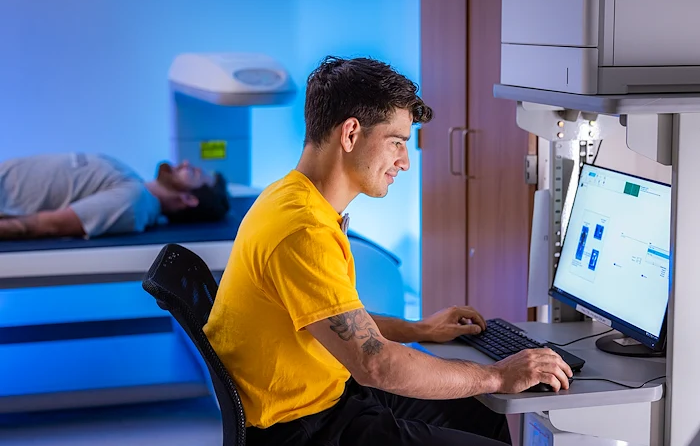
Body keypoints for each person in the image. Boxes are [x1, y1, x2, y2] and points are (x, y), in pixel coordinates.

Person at [203, 56, 573, 446]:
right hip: (302, 429)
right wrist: (497, 375)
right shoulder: (303, 230)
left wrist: (420, 329)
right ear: (350, 134)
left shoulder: (289, 196)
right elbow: (374, 363)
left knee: (477, 410)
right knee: (486, 400)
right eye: (396, 142)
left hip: (323, 396)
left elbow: (341, 320)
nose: (405, 162)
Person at [0, 153, 229, 239]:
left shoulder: (132, 202)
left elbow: (46, 225)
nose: (186, 163)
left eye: (195, 173)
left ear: (190, 199)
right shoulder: (130, 178)